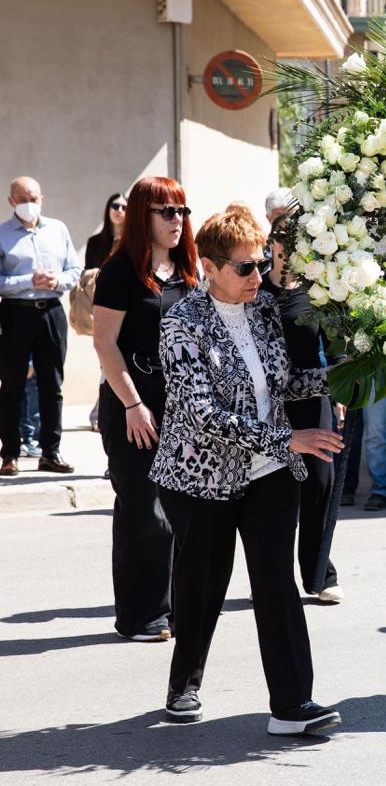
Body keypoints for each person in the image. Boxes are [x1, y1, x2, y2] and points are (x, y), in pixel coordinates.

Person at [150, 210, 344, 733]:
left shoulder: (262, 312)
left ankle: (291, 706)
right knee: (202, 585)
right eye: (244, 268)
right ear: (208, 267)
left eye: (260, 264)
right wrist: (290, 438)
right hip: (201, 479)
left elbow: (283, 385)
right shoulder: (180, 322)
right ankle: (184, 684)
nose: (258, 276)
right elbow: (204, 414)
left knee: (277, 586)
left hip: (270, 474)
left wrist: (342, 377)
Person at [92, 178, 199, 642]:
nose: (177, 221)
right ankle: (141, 616)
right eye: (166, 212)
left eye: (182, 212)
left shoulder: (189, 270)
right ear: (142, 216)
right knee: (143, 512)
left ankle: (175, 608)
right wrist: (132, 404)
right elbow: (104, 343)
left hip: (183, 411)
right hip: (132, 409)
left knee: (181, 514)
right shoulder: (119, 273)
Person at [264, 214, 343, 603]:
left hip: (315, 401)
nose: (289, 256)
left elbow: (338, 345)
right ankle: (273, 576)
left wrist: (342, 390)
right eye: (283, 248)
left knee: (320, 485)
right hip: (269, 406)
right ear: (272, 248)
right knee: (276, 491)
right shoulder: (255, 290)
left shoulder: (317, 291)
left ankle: (319, 574)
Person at [0, 177, 81, 476]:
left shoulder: (58, 230)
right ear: (11, 202)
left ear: (42, 198)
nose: (28, 203)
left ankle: (51, 452)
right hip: (15, 314)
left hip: (51, 313)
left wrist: (58, 280)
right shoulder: (2, 235)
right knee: (12, 386)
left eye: (33, 197)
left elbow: (74, 268)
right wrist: (28, 281)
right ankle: (9, 454)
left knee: (52, 385)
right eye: (22, 198)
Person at [83, 192, 128, 434]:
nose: (119, 210)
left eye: (124, 206)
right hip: (101, 307)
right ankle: (101, 412)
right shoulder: (95, 242)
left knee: (110, 364)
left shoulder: (131, 242)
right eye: (115, 205)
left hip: (126, 311)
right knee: (105, 361)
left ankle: (100, 411)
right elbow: (87, 275)